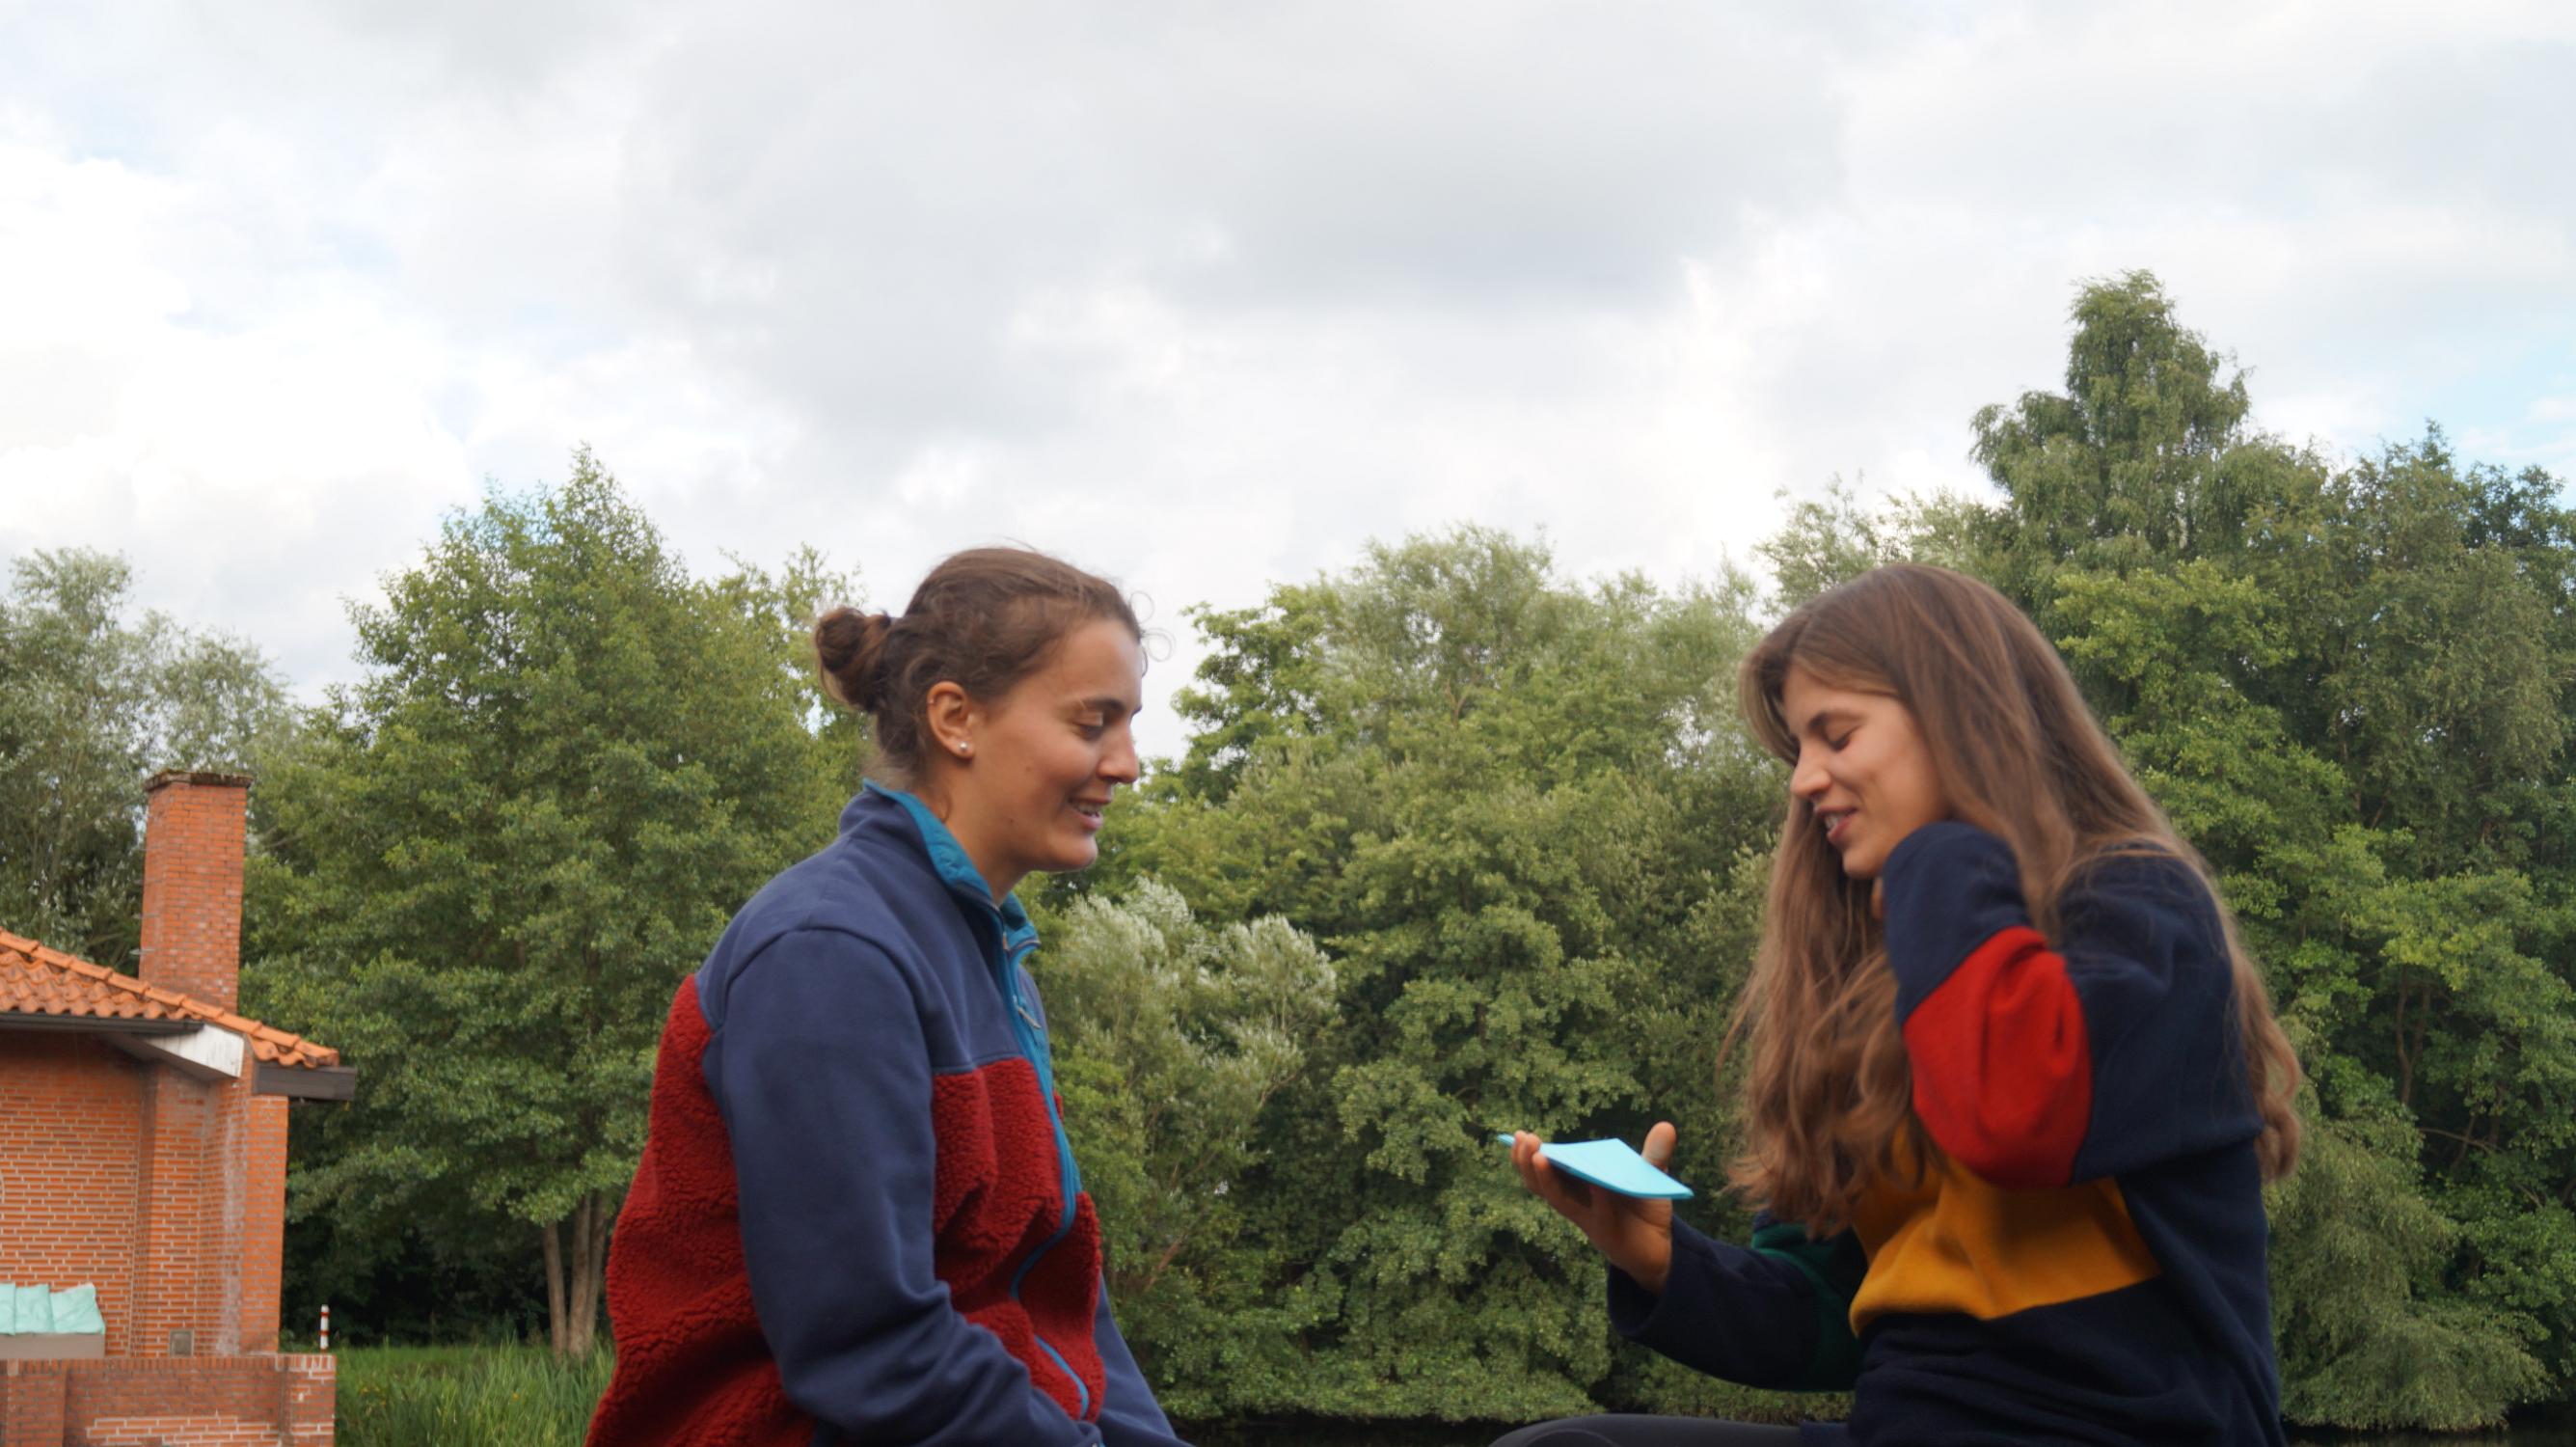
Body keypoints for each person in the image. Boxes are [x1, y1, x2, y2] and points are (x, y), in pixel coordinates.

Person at [1496, 564, 2302, 1447]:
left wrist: (1940, 849)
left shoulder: (2143, 914)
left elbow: (2015, 1118)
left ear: (1961, 719)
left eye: (1836, 736)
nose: (1804, 781)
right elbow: (1826, 1311)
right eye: (1797, 750)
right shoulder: (1879, 981)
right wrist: (1662, 1263)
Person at [585, 547, 1190, 1447]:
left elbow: (1065, 1311)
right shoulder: (830, 954)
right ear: (956, 719)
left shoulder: (995, 965)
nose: (1128, 764)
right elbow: (869, 1350)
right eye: (1093, 722)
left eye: (1129, 725)